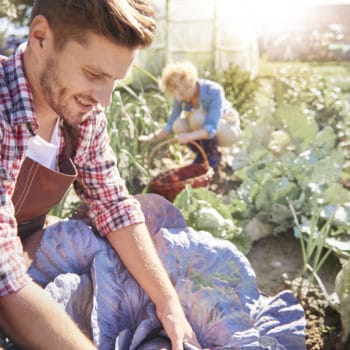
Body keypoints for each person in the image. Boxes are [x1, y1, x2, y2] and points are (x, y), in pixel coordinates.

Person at [0, 1, 200, 349]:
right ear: (40, 37)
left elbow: (113, 204)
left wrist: (168, 304)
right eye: (94, 75)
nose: (104, 99)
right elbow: (4, 276)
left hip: (22, 248)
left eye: (114, 80)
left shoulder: (82, 115)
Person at [139, 62, 242, 169]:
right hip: (208, 130)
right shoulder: (181, 95)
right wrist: (149, 139)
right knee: (177, 125)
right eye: (176, 95)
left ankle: (213, 156)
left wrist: (188, 136)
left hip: (228, 131)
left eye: (182, 94)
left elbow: (211, 128)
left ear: (191, 83)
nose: (179, 98)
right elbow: (169, 126)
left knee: (196, 118)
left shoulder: (213, 91)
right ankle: (202, 155)